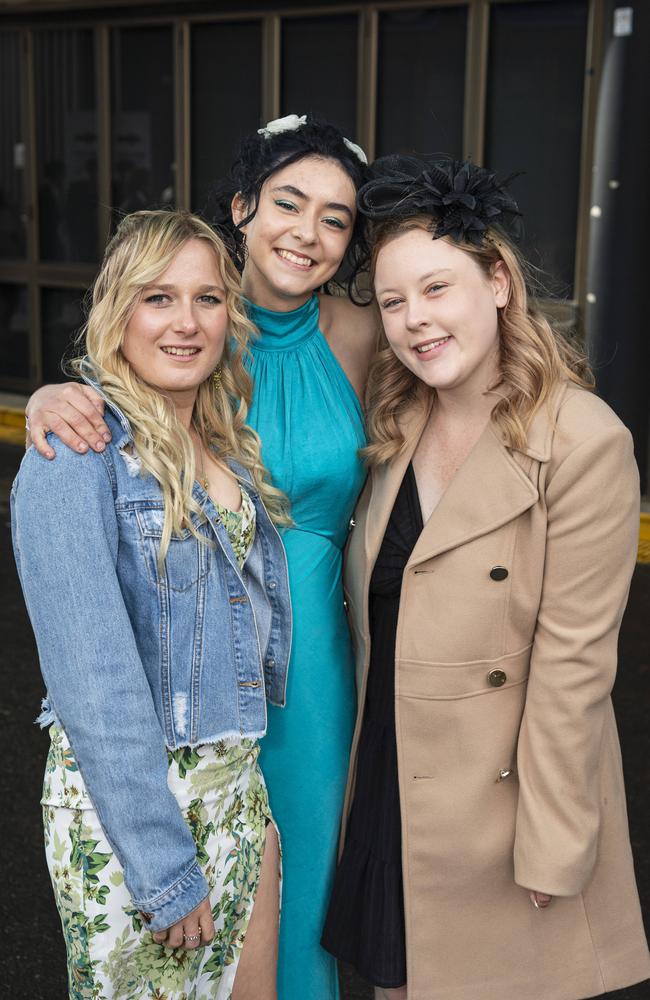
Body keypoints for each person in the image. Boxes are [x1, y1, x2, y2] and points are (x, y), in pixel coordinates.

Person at [23, 114, 378, 1000]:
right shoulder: (199, 334)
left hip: (313, 665)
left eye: (335, 217)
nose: (307, 231)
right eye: (288, 202)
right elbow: (118, 393)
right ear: (242, 209)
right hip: (180, 673)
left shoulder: (362, 335)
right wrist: (51, 397)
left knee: (297, 904)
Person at [322, 155, 650, 1000]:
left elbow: (575, 666)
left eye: (437, 289)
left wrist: (553, 838)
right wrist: (83, 394)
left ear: (498, 280)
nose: (414, 321)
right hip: (394, 783)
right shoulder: (390, 416)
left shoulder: (583, 442)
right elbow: (237, 345)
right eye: (393, 302)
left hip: (502, 805)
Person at [12, 209, 292, 1000]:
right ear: (118, 310)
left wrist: (252, 818)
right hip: (139, 822)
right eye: (158, 297)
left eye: (207, 299)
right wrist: (166, 871)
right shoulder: (75, 455)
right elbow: (92, 686)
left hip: (236, 801)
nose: (186, 322)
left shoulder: (221, 440)